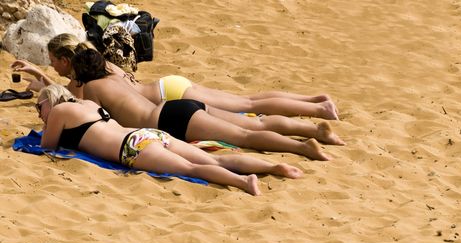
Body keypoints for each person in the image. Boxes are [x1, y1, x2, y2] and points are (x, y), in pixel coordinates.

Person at [72, 48, 338, 161]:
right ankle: (314, 131)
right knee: (255, 120)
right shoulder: (116, 77)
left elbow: (95, 121)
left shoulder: (93, 87)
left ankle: (302, 147)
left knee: (245, 136)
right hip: (177, 106)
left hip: (170, 120)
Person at [37, 84, 304, 195]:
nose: (39, 114)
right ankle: (271, 167)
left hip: (131, 149)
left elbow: (47, 145)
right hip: (149, 135)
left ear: (51, 101)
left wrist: (48, 124)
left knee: (191, 169)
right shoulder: (85, 104)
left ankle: (243, 181)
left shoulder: (59, 112)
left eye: (40, 107)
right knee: (213, 159)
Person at [12, 33, 339, 120]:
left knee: (246, 107)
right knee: (248, 101)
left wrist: (42, 81)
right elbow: (60, 89)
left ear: (67, 60)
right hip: (170, 86)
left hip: (173, 99)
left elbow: (69, 101)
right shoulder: (99, 63)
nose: (53, 66)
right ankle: (314, 100)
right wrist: (38, 74)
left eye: (54, 61)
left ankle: (318, 110)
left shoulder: (82, 81)